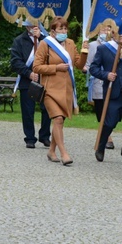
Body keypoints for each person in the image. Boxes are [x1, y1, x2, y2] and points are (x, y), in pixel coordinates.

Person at [33, 17, 88, 165]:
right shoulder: (45, 44)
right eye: (60, 29)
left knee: (60, 122)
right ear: (53, 31)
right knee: (57, 119)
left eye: (65, 29)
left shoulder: (70, 43)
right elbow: (36, 67)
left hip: (66, 89)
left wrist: (84, 52)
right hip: (50, 89)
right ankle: (64, 153)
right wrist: (55, 68)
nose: (64, 31)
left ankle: (51, 151)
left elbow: (78, 64)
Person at [90, 25, 122, 165]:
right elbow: (93, 68)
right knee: (109, 123)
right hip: (113, 93)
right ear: (112, 33)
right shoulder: (104, 49)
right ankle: (101, 147)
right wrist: (106, 75)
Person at [11, 21, 51, 148]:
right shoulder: (19, 41)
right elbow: (16, 62)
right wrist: (28, 74)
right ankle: (29, 137)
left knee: (47, 109)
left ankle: (44, 136)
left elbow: (54, 55)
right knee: (28, 111)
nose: (33, 27)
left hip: (45, 79)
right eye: (31, 24)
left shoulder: (47, 40)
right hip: (27, 80)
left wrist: (41, 38)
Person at [84, 25, 115, 149]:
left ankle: (106, 133)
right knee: (101, 111)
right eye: (104, 29)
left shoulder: (114, 46)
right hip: (98, 82)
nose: (106, 32)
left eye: (109, 29)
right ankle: (107, 137)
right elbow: (89, 65)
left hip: (112, 82)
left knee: (111, 113)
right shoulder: (93, 45)